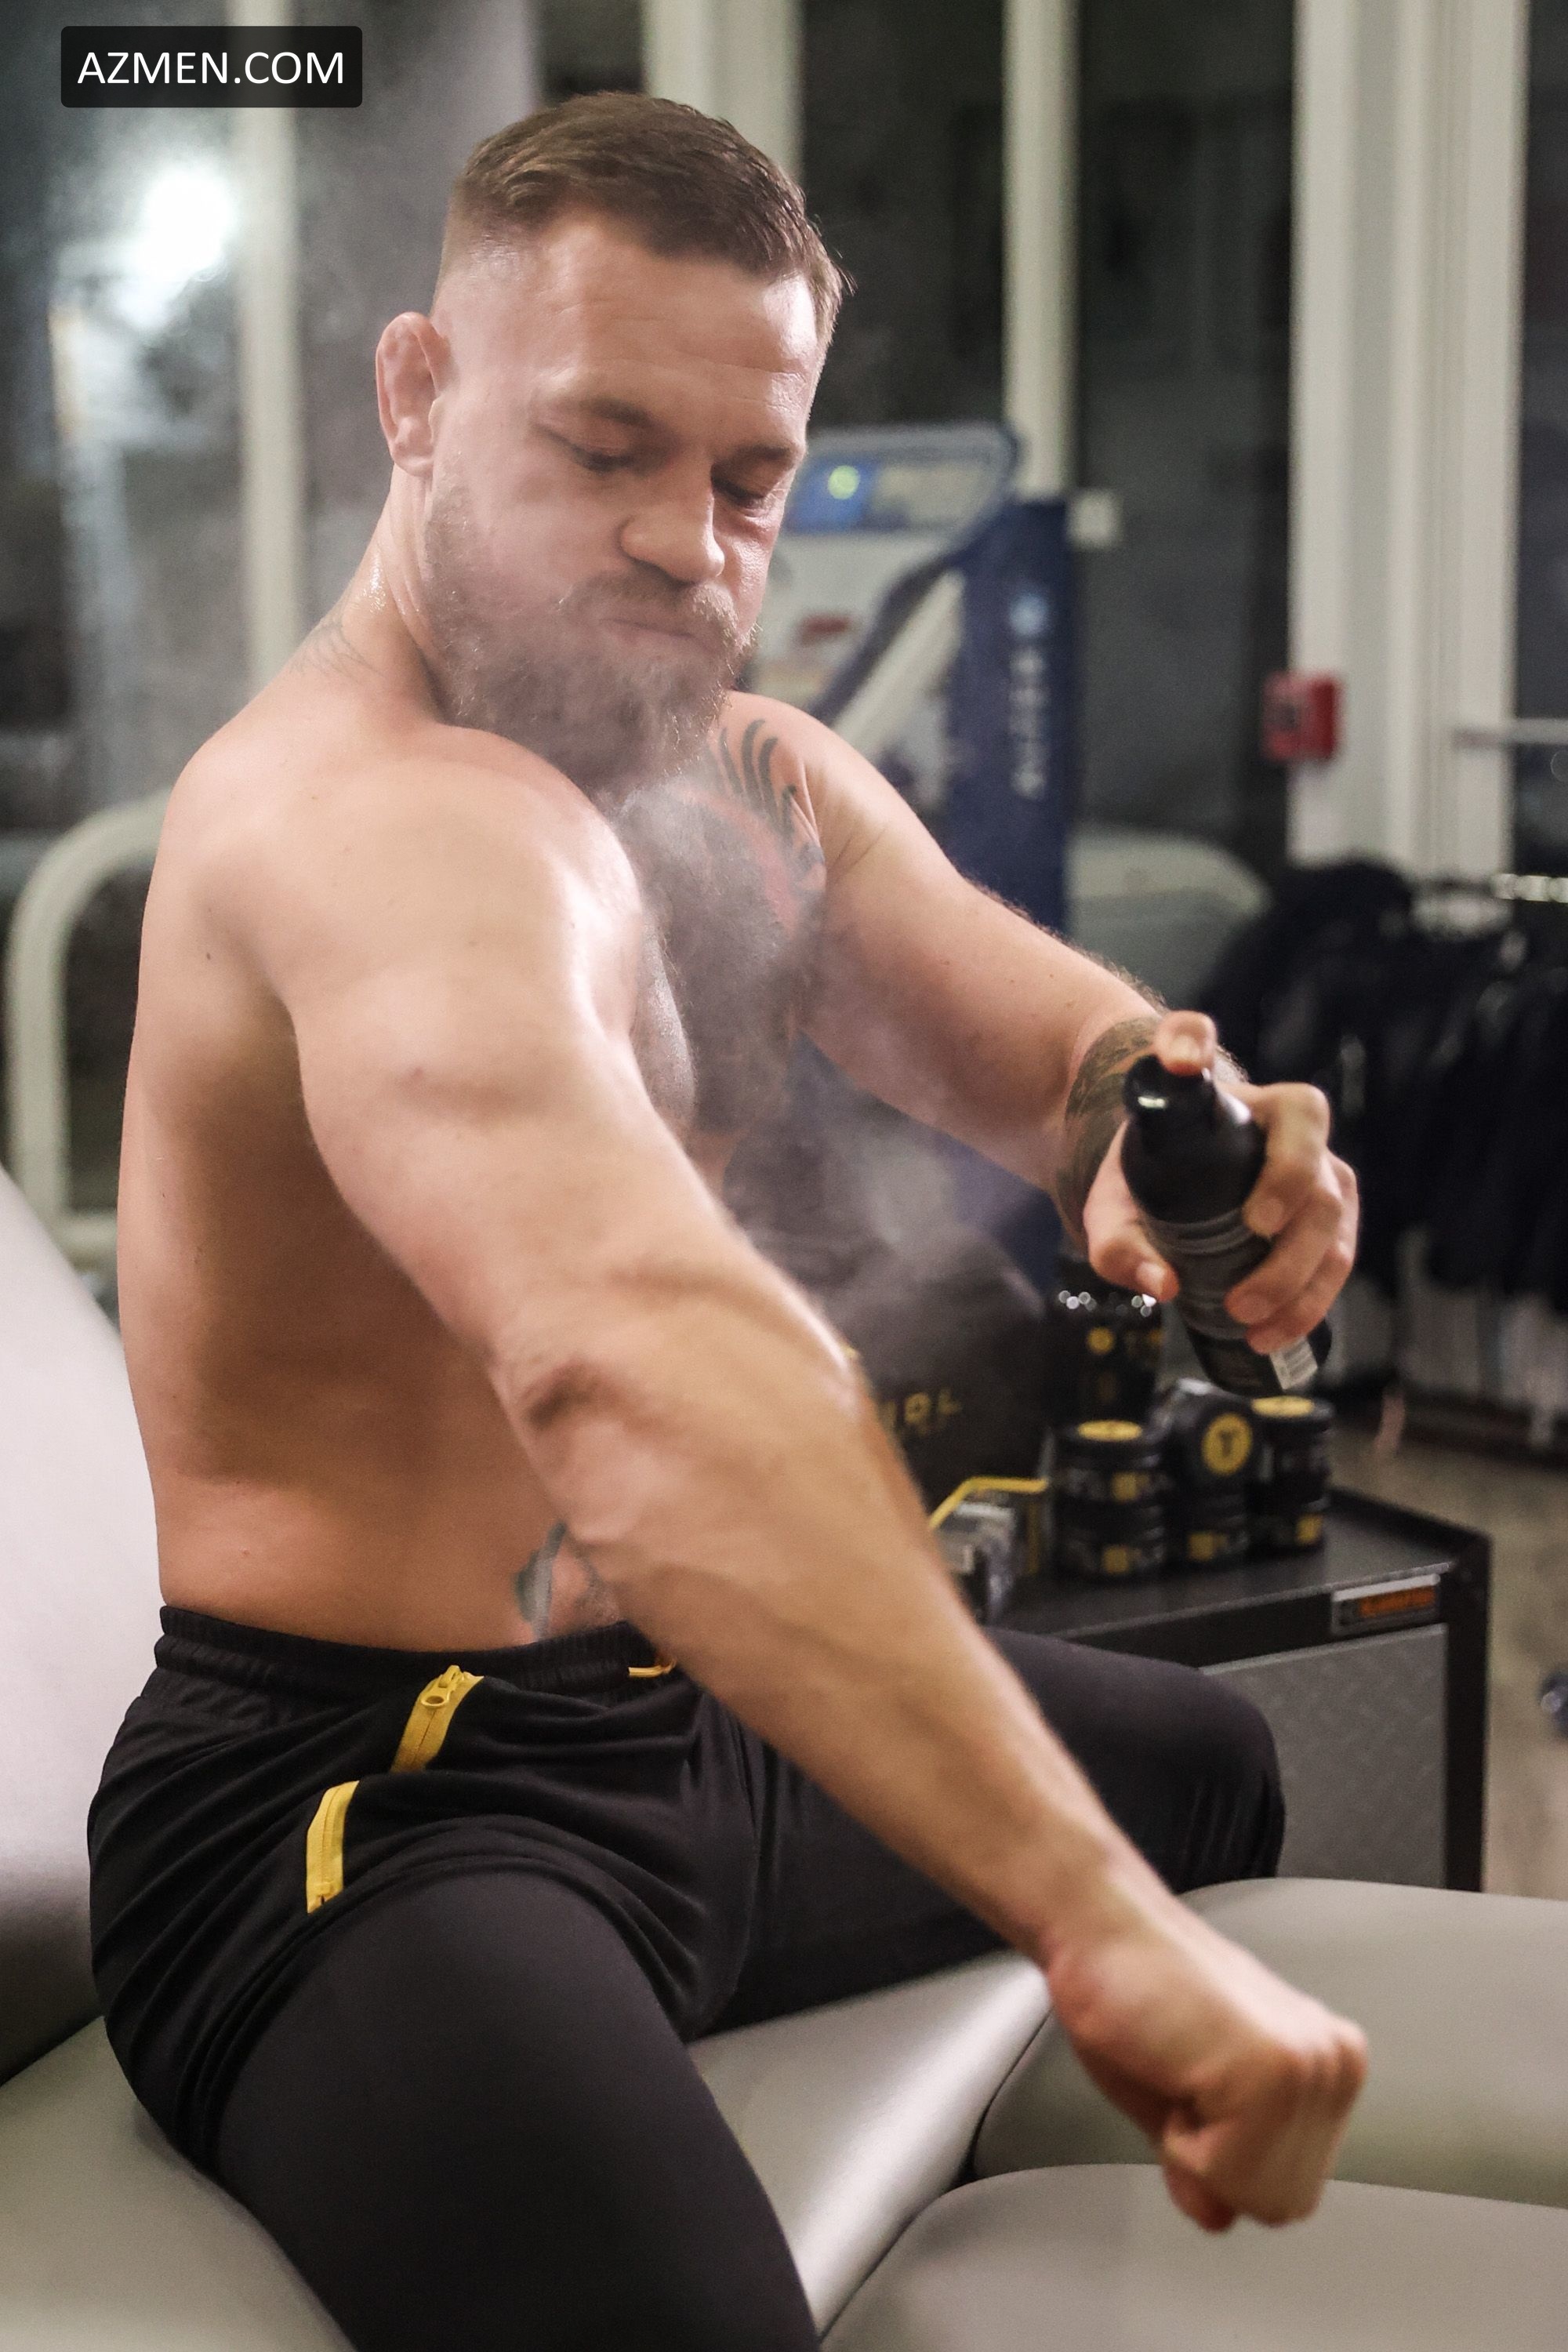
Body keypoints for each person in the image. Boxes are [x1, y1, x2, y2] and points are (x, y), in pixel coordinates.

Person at [88, 93, 1364, 2352]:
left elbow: (1036, 1044)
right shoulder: (370, 829)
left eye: (748, 480)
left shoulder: (737, 778)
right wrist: (1099, 1930)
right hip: (373, 1807)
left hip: (680, 1737)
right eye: (605, 449)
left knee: (1211, 1767)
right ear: (419, 393)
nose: (689, 545)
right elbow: (631, 1363)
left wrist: (1172, 1132)